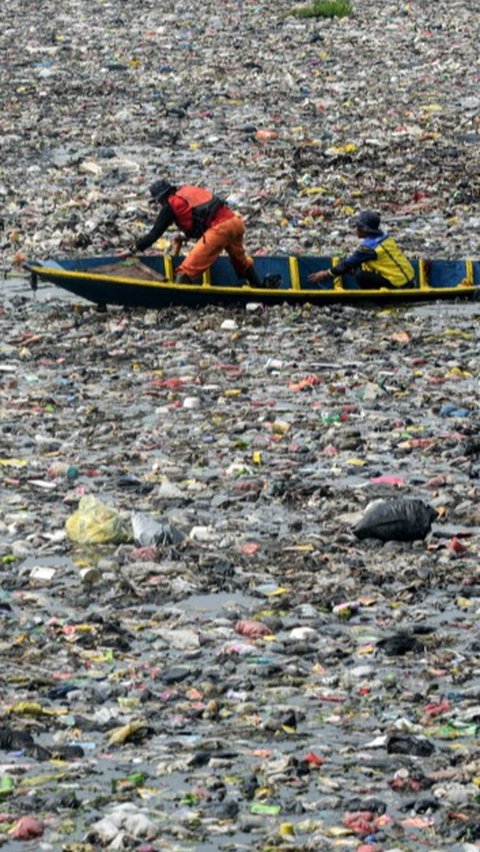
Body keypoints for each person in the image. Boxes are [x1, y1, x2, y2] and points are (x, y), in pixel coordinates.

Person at [134, 180, 278, 288]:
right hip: (235, 222)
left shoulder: (171, 205)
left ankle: (178, 297)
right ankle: (259, 288)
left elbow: (154, 234)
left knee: (185, 271)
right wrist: (186, 236)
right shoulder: (187, 191)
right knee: (241, 263)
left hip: (220, 229)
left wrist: (134, 249)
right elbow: (201, 215)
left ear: (161, 198)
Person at [308, 210, 415, 289]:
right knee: (357, 267)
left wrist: (326, 273)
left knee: (360, 275)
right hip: (409, 279)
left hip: (399, 283)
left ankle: (373, 300)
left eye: (358, 227)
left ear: (364, 229)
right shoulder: (385, 236)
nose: (356, 229)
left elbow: (348, 264)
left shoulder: (368, 247)